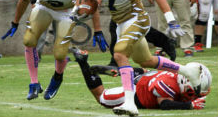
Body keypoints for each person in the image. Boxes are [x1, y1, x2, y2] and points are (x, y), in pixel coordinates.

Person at [74, 0, 202, 116]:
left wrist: (171, 21)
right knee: (145, 61)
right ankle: (187, 71)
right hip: (120, 21)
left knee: (119, 53)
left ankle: (129, 103)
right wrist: (77, 8)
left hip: (136, 18)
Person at [2, 0, 83, 101]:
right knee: (29, 40)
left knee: (59, 53)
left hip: (66, 12)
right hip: (44, 7)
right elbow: (24, 0)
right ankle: (34, 83)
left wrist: (97, 29)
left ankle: (57, 78)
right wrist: (15, 22)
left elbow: (86, 0)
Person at [71, 47, 212, 111]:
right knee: (101, 97)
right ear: (185, 81)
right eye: (194, 88)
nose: (196, 93)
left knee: (143, 71)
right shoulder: (170, 84)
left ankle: (120, 71)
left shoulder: (178, 75)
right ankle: (83, 61)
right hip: (137, 92)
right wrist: (189, 105)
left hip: (147, 76)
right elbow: (165, 104)